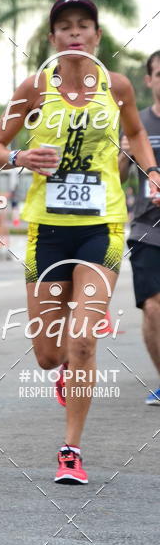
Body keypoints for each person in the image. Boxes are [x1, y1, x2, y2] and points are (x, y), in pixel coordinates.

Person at [0, 0, 160, 484]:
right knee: (48, 354)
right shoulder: (35, 88)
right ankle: (62, 370)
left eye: (84, 26)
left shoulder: (117, 86)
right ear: (52, 39)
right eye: (65, 28)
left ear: (98, 37)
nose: (75, 34)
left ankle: (70, 450)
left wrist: (152, 171)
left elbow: (137, 135)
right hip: (47, 231)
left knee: (83, 338)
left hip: (102, 227)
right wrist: (21, 159)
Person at [119, 50, 160, 405]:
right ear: (149, 80)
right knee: (152, 306)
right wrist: (122, 153)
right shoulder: (137, 123)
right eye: (159, 74)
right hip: (148, 229)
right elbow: (115, 179)